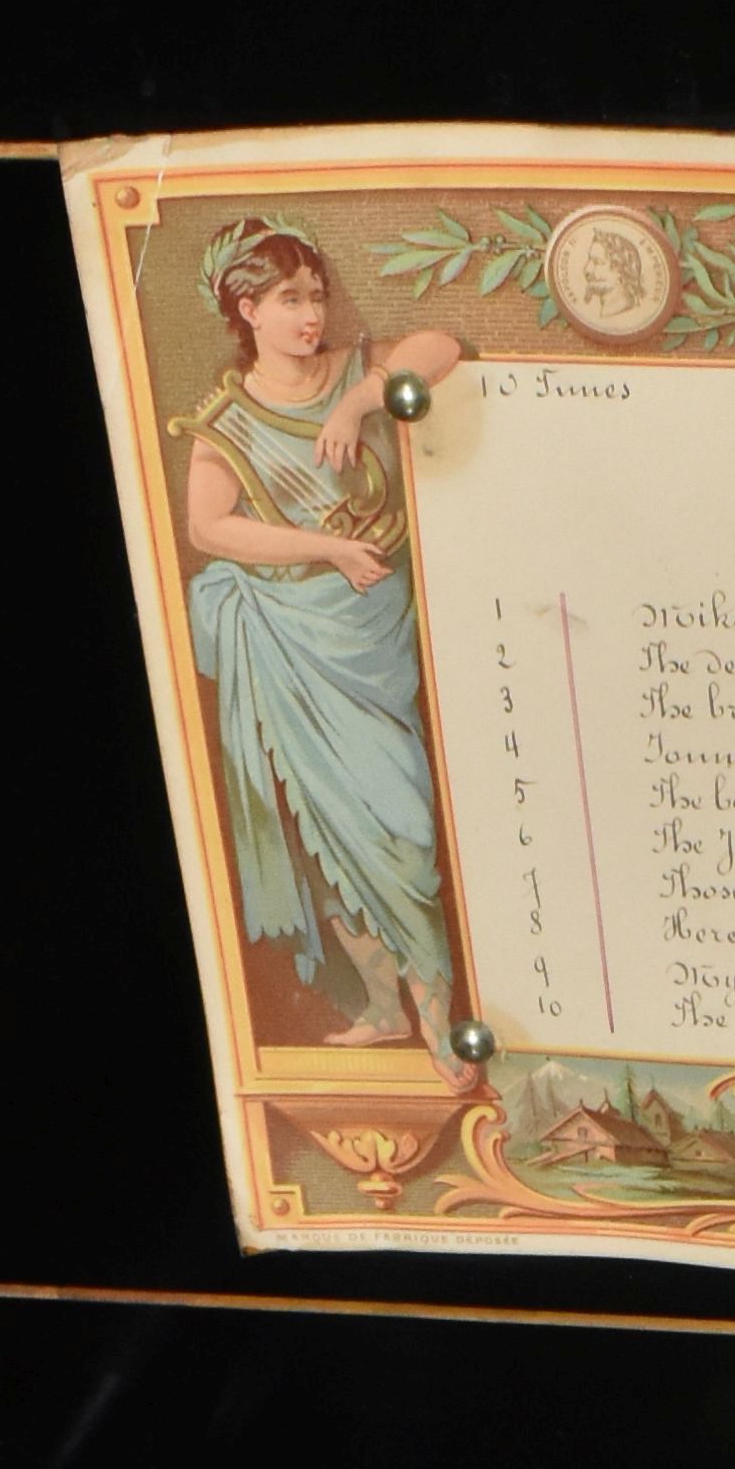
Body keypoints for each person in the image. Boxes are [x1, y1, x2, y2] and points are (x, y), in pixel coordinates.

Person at [179, 222, 469, 1054]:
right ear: (248, 309)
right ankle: (391, 1010)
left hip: (378, 634)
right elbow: (209, 529)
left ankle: (436, 1015)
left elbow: (440, 343)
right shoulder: (227, 420)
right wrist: (329, 548)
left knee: (405, 833)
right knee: (325, 831)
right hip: (296, 641)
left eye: (315, 295)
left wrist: (355, 400)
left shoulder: (355, 370)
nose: (311, 314)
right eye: (288, 300)